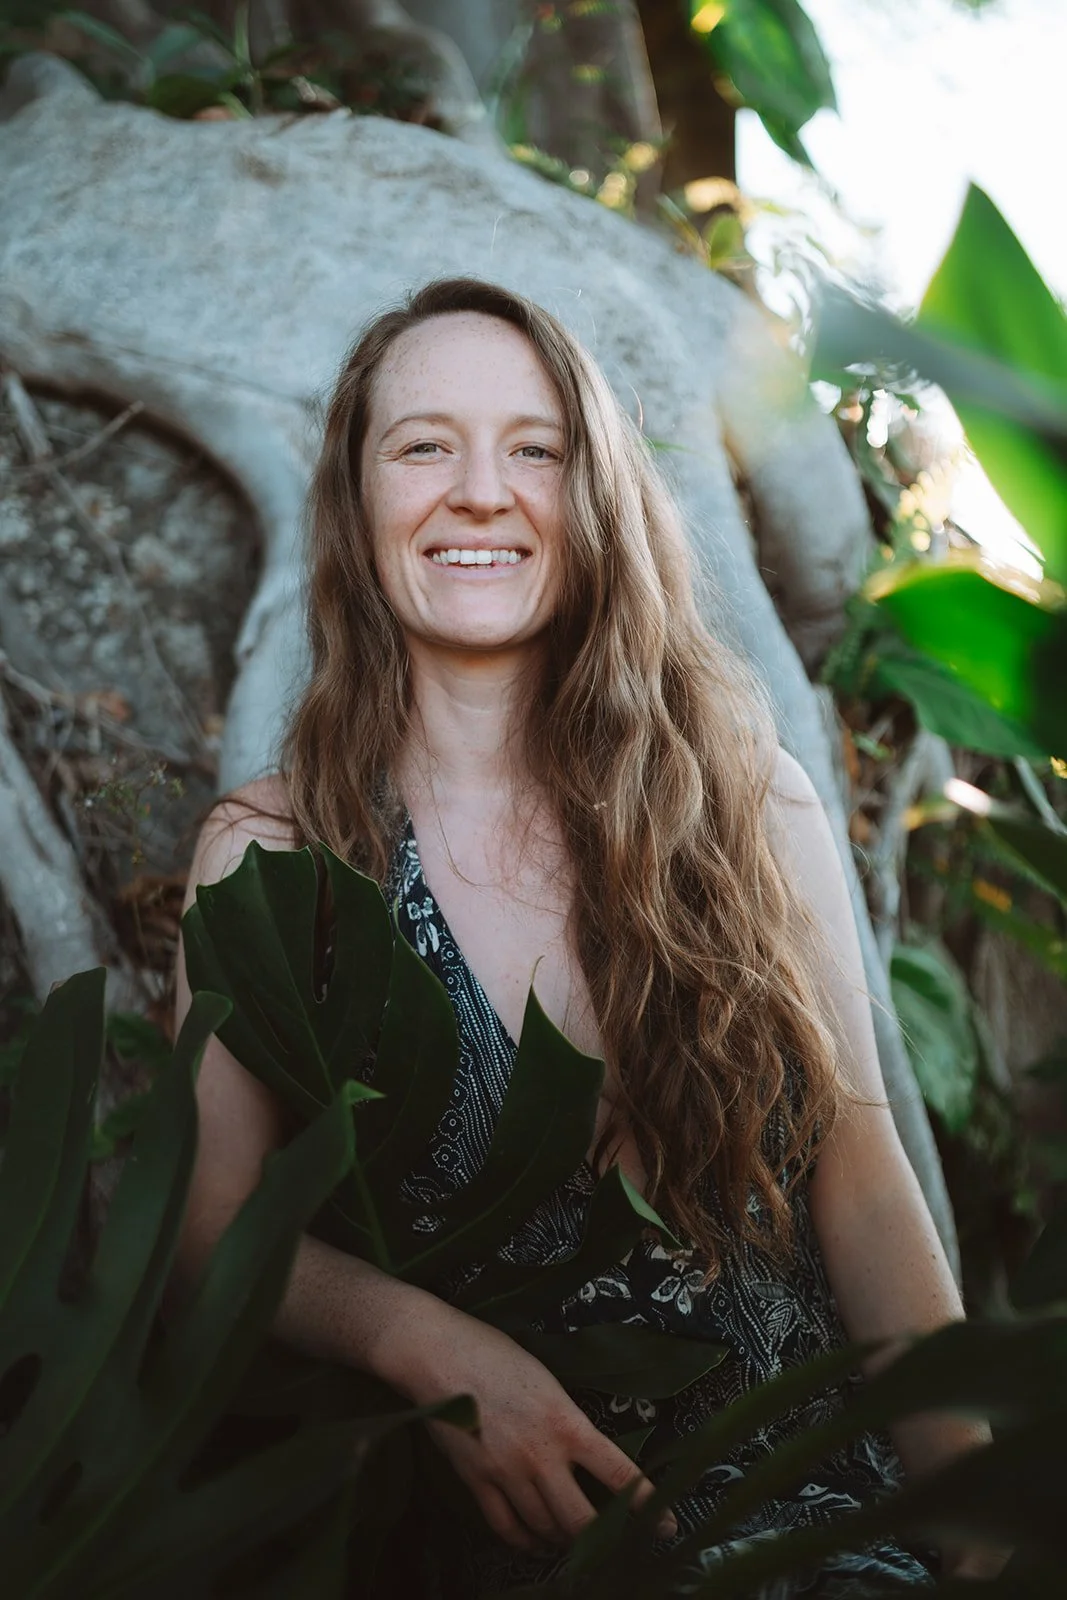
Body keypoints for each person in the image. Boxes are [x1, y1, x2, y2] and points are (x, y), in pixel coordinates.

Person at [171, 277, 995, 1595]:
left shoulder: (746, 801)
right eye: (424, 445)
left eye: (535, 448)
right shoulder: (272, 858)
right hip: (519, 1557)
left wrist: (980, 1529)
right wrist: (426, 1343)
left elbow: (858, 1173)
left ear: (591, 498)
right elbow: (208, 1234)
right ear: (354, 502)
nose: (482, 491)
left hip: (829, 1518)